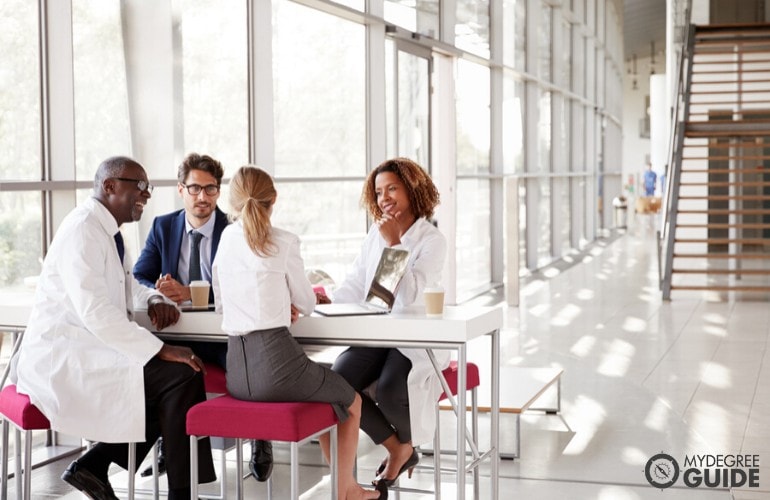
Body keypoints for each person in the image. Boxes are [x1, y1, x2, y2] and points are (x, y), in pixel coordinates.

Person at [10, 156, 215, 500]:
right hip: (64, 357)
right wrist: (161, 348)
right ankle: (168, 487)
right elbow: (95, 311)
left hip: (92, 349)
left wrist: (151, 298)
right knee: (182, 375)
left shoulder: (108, 231)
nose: (146, 196)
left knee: (182, 377)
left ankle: (98, 464)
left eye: (148, 189)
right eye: (140, 187)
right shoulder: (82, 230)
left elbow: (128, 282)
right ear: (109, 186)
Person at [211, 166, 380, 500]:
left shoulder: (226, 238)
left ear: (231, 203)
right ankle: (347, 490)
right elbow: (304, 301)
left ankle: (343, 487)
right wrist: (290, 302)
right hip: (276, 368)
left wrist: (273, 303)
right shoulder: (284, 241)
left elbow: (221, 303)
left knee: (331, 391)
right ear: (273, 199)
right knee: (351, 398)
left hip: (238, 375)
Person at [132, 153, 272, 481]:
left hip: (224, 334)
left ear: (219, 193)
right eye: (195, 189)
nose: (202, 197)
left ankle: (260, 437)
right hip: (179, 333)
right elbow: (138, 275)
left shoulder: (236, 230)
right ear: (181, 189)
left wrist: (195, 292)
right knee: (154, 366)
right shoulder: (163, 226)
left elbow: (248, 285)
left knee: (248, 368)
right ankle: (170, 441)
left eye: (210, 189)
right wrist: (159, 290)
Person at [327, 157, 448, 498]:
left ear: (412, 189)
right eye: (379, 192)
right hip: (374, 332)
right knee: (340, 385)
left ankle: (404, 447)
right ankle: (400, 449)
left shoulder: (431, 240)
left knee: (396, 391)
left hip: (411, 337)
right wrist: (329, 301)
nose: (384, 198)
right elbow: (357, 281)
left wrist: (396, 244)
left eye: (392, 188)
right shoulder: (376, 233)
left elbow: (409, 297)